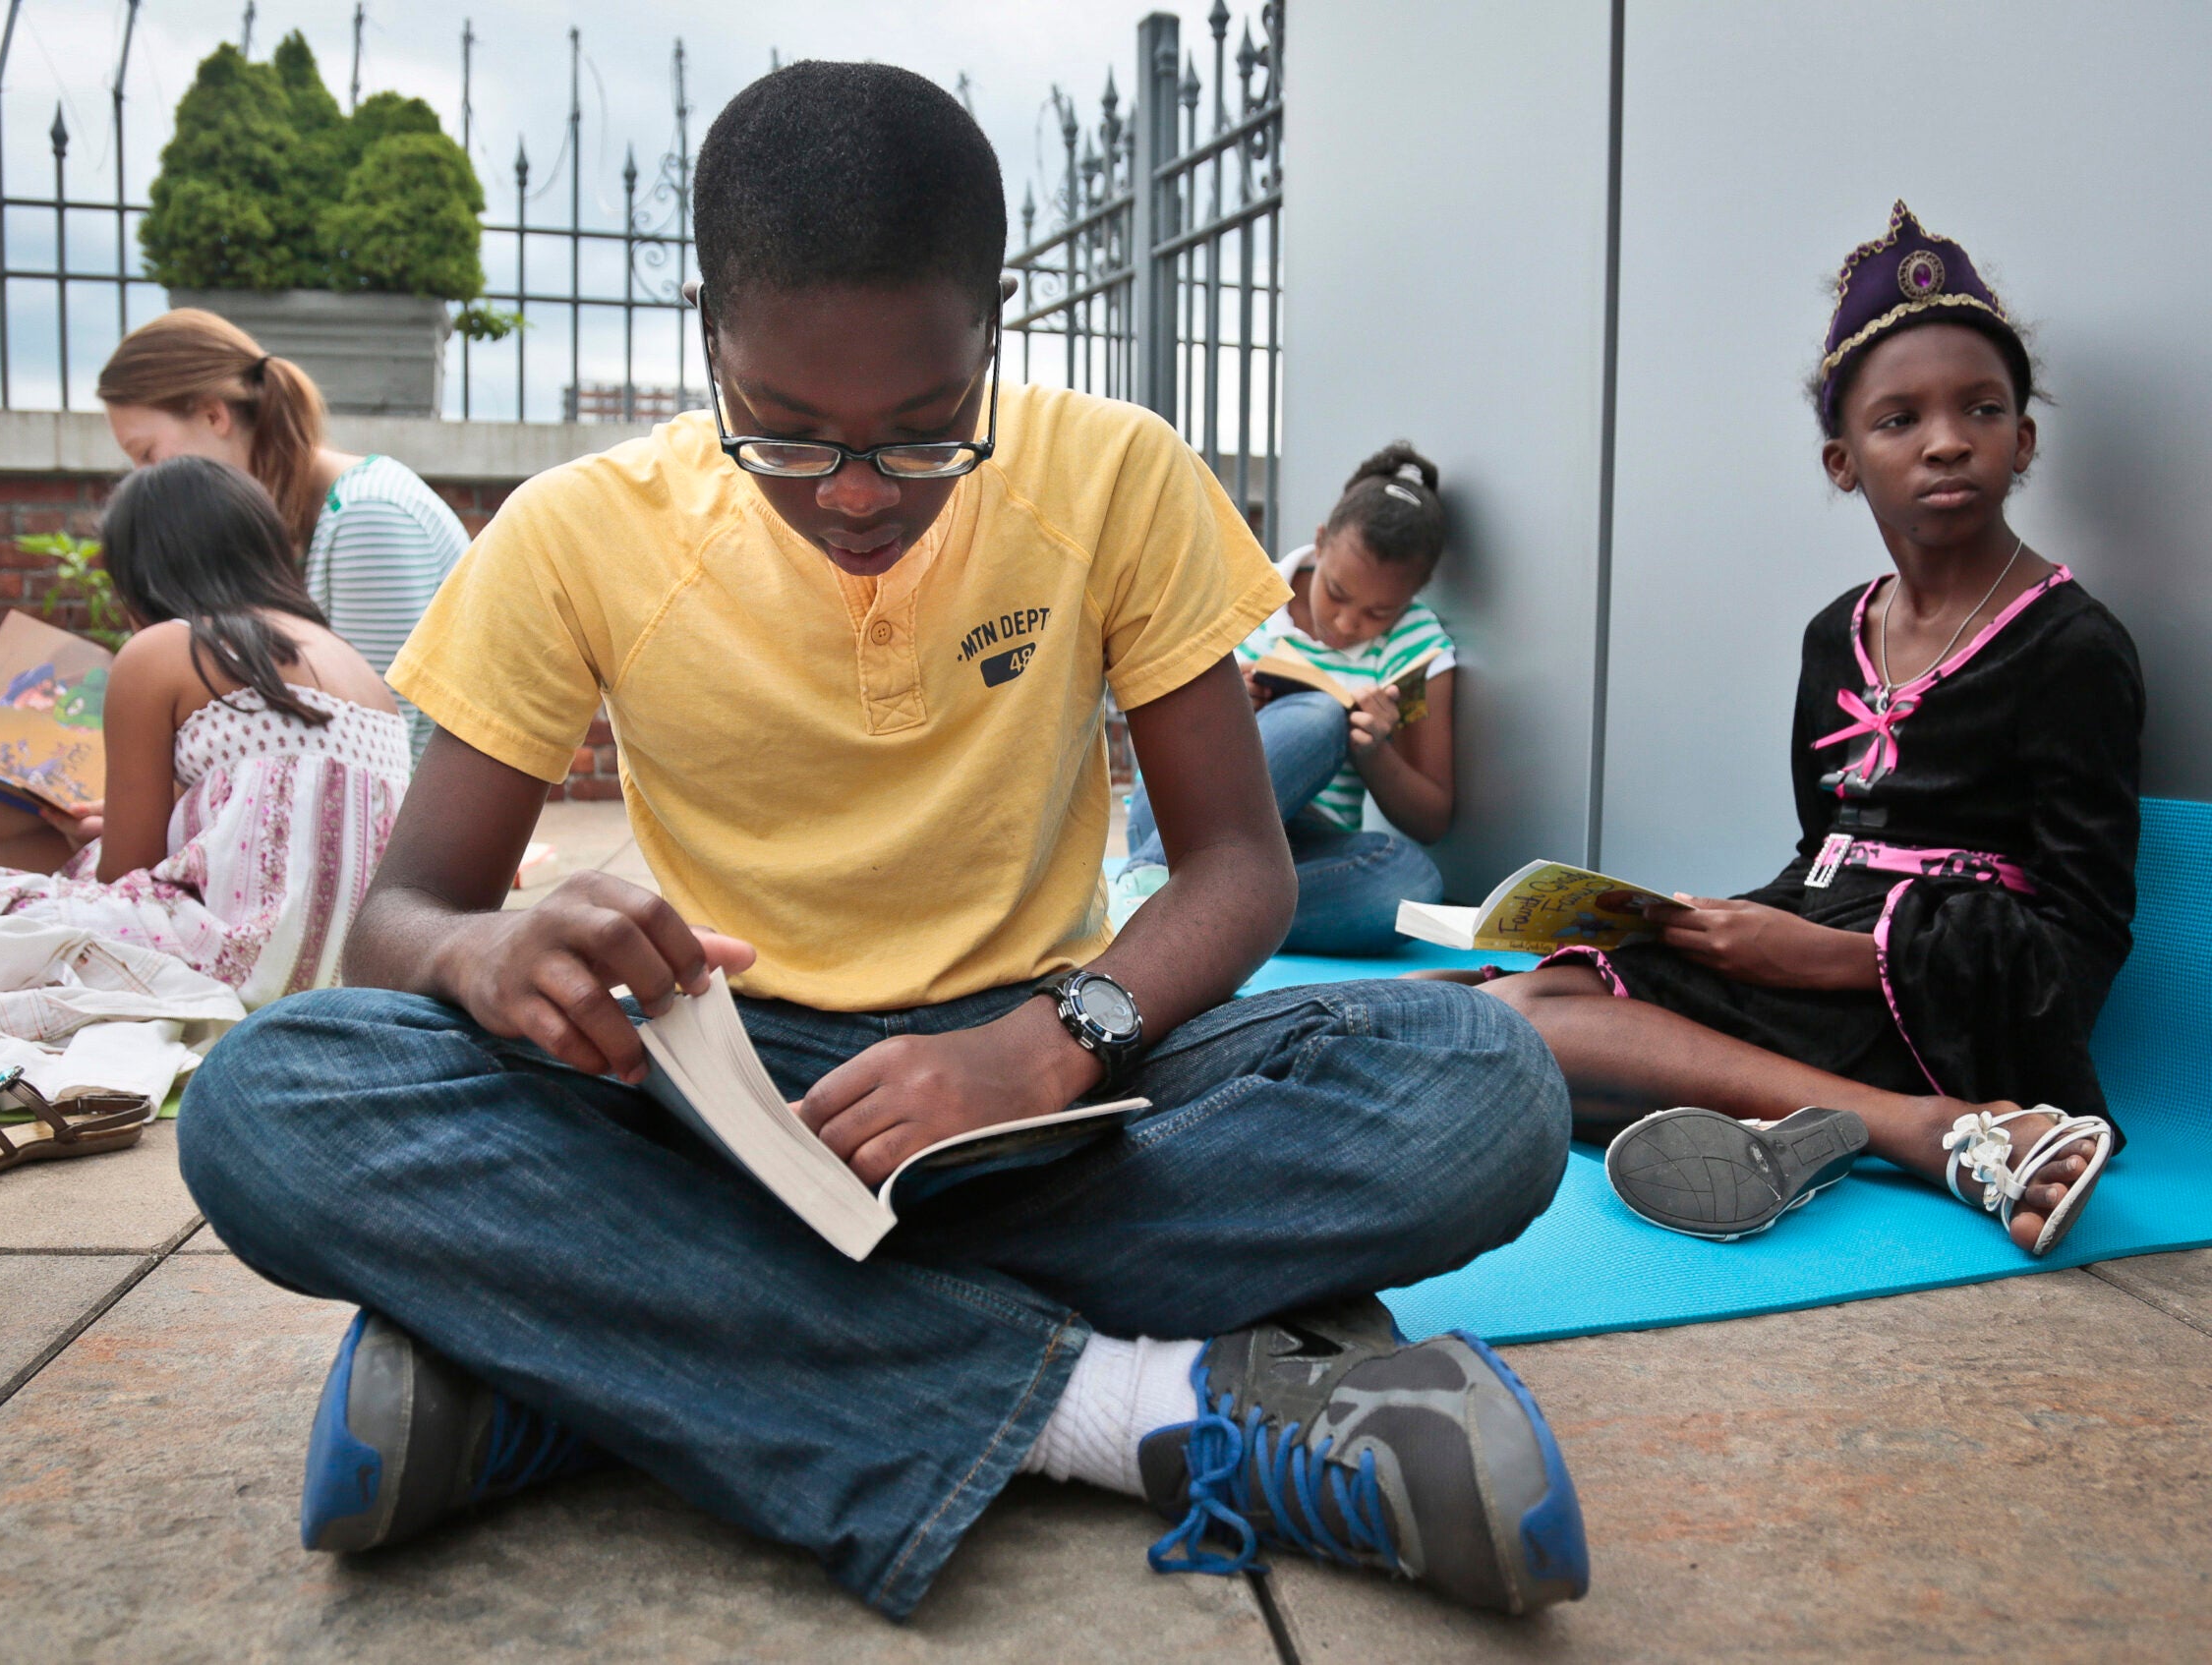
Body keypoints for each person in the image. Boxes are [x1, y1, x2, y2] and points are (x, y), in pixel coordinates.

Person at [175, 62, 1586, 1621]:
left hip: (1051, 1098)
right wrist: (486, 950)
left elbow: (1239, 870)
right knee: (266, 1098)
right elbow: (405, 919)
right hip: (717, 1105)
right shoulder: (579, 530)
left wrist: (1053, 1041)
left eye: (925, 434)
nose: (855, 496)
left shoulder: (1113, 473)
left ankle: (582, 1366)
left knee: (1487, 1087)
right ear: (712, 329)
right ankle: (1138, 1410)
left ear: (996, 324)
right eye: (783, 432)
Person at [1466, 202, 2140, 1258]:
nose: (1947, 439)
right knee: (1495, 1004)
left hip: (1944, 997)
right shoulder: (1837, 633)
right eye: (1898, 419)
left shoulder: (2072, 646)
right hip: (1817, 946)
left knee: (1524, 1034)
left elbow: (2085, 937)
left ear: (2025, 437)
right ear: (1841, 461)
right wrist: (1712, 927)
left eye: (1981, 408)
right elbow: (1820, 851)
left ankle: (1926, 1125)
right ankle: (1825, 1123)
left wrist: (1837, 959)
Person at [0, 456, 412, 1009]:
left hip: (229, 965)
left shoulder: (166, 649)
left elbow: (125, 873)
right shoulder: (356, 668)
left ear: (140, 575)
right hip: (347, 973)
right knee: (6, 863)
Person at [1116, 443, 1456, 953]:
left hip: (1297, 851)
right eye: (1336, 593)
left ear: (1413, 596)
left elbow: (1432, 818)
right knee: (1319, 715)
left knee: (1411, 886)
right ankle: (1153, 878)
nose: (1346, 624)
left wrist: (1372, 751)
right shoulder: (1245, 593)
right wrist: (1229, 710)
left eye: (1378, 613)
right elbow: (1153, 728)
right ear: (1319, 543)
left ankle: (1170, 909)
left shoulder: (1418, 647)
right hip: (1179, 817)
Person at [92, 308, 469, 759]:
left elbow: (378, 749)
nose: (141, 477)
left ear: (215, 415)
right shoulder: (307, 518)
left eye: (147, 453)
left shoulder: (370, 518)